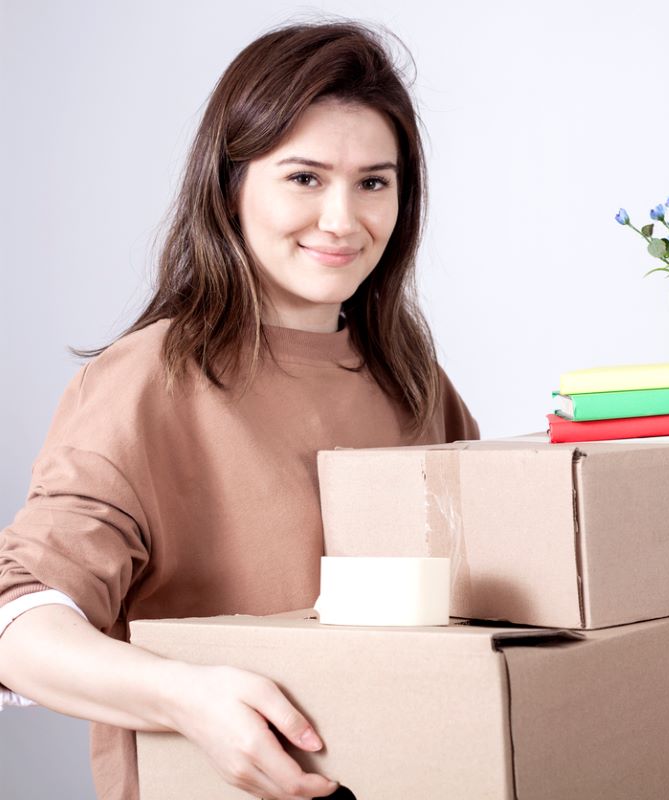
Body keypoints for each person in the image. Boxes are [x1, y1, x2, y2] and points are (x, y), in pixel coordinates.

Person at [0, 21, 478, 800]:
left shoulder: (415, 382)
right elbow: (17, 625)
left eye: (373, 182)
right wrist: (186, 698)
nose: (342, 220)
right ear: (230, 186)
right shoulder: (147, 380)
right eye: (304, 178)